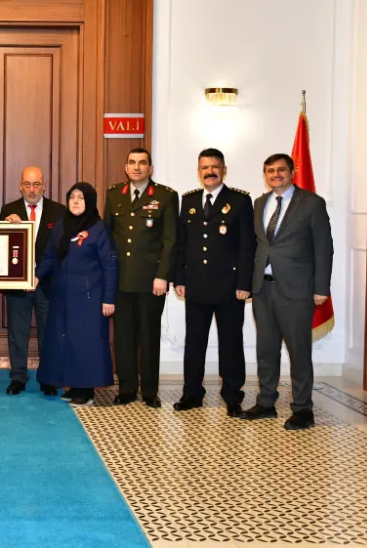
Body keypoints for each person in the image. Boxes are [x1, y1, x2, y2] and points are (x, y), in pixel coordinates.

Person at [242, 153, 333, 430]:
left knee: (298, 351)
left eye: (281, 170)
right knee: (266, 350)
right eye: (270, 171)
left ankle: (303, 409)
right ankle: (266, 402)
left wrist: (321, 288)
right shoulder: (260, 203)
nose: (275, 175)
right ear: (265, 175)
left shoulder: (312, 203)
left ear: (292, 172)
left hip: (297, 290)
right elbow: (257, 247)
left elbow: (324, 247)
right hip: (263, 289)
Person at [173, 148, 255, 417]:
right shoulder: (190, 200)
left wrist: (245, 283)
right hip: (196, 285)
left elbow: (247, 247)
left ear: (224, 169)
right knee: (194, 342)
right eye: (204, 167)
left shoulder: (240, 201)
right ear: (198, 172)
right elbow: (182, 245)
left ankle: (232, 394)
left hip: (230, 287)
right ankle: (192, 392)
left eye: (215, 166)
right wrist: (180, 279)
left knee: (231, 342)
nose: (210, 171)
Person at [104, 147, 178, 408]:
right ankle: (126, 388)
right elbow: (108, 241)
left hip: (150, 282)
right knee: (123, 337)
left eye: (142, 163)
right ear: (126, 167)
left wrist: (162, 276)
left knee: (148, 337)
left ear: (151, 168)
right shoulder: (114, 195)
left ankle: (149, 391)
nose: (137, 167)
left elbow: (170, 241)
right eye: (132, 162)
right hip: (121, 281)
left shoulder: (165, 196)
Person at [35, 183, 117, 406]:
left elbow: (110, 264)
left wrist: (109, 299)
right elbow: (49, 256)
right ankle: (73, 385)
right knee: (65, 341)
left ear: (89, 201)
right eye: (72, 197)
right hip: (62, 297)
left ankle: (87, 391)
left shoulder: (99, 228)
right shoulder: (61, 226)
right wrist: (36, 276)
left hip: (90, 299)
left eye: (81, 198)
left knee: (86, 343)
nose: (76, 201)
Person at [0, 166, 67, 396]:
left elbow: (62, 249)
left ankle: (47, 377)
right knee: (18, 332)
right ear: (20, 185)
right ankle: (18, 376)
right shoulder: (8, 210)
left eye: (36, 184)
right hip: (17, 283)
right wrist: (8, 228)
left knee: (48, 331)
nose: (32, 189)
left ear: (44, 185)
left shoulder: (59, 212)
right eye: (27, 184)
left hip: (48, 283)